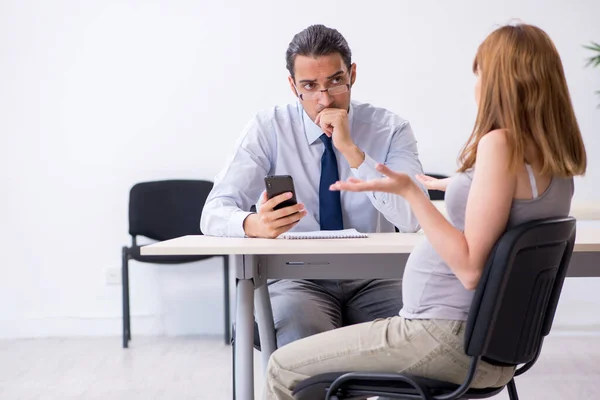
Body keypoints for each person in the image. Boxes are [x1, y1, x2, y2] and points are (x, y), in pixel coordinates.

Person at [263, 22, 587, 399]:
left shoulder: (499, 144)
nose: (477, 85)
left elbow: (469, 269)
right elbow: (512, 204)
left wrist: (412, 194)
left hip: (441, 333)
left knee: (283, 365)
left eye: (480, 73)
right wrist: (463, 185)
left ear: (502, 80)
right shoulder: (555, 161)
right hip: (491, 345)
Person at [200, 24, 428, 348]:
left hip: (375, 277)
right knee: (304, 346)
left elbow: (411, 218)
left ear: (352, 74)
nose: (324, 99)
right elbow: (213, 211)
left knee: (420, 341)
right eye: (310, 86)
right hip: (298, 279)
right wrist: (254, 224)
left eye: (336, 81)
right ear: (293, 86)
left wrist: (353, 152)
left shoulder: (391, 130)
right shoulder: (268, 129)